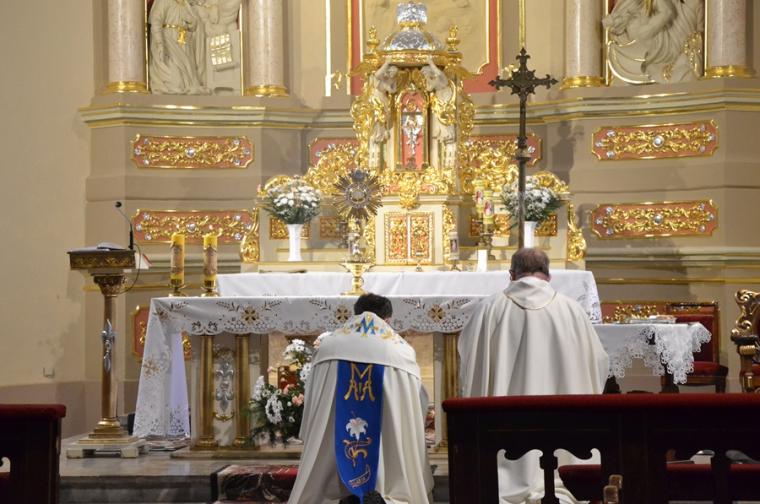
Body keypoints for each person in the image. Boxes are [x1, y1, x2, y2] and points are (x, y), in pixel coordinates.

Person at [458, 248, 610, 504]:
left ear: (511, 274)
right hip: (562, 418)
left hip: (505, 423)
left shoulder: (490, 308)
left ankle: (510, 481)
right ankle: (565, 481)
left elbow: (470, 358)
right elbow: (598, 361)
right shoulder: (571, 309)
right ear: (548, 275)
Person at [288, 293, 433, 504]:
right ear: (388, 319)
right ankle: (382, 490)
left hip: (330, 462)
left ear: (355, 314)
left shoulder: (328, 346)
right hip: (384, 453)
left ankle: (332, 494)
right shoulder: (400, 351)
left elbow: (312, 396)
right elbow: (416, 401)